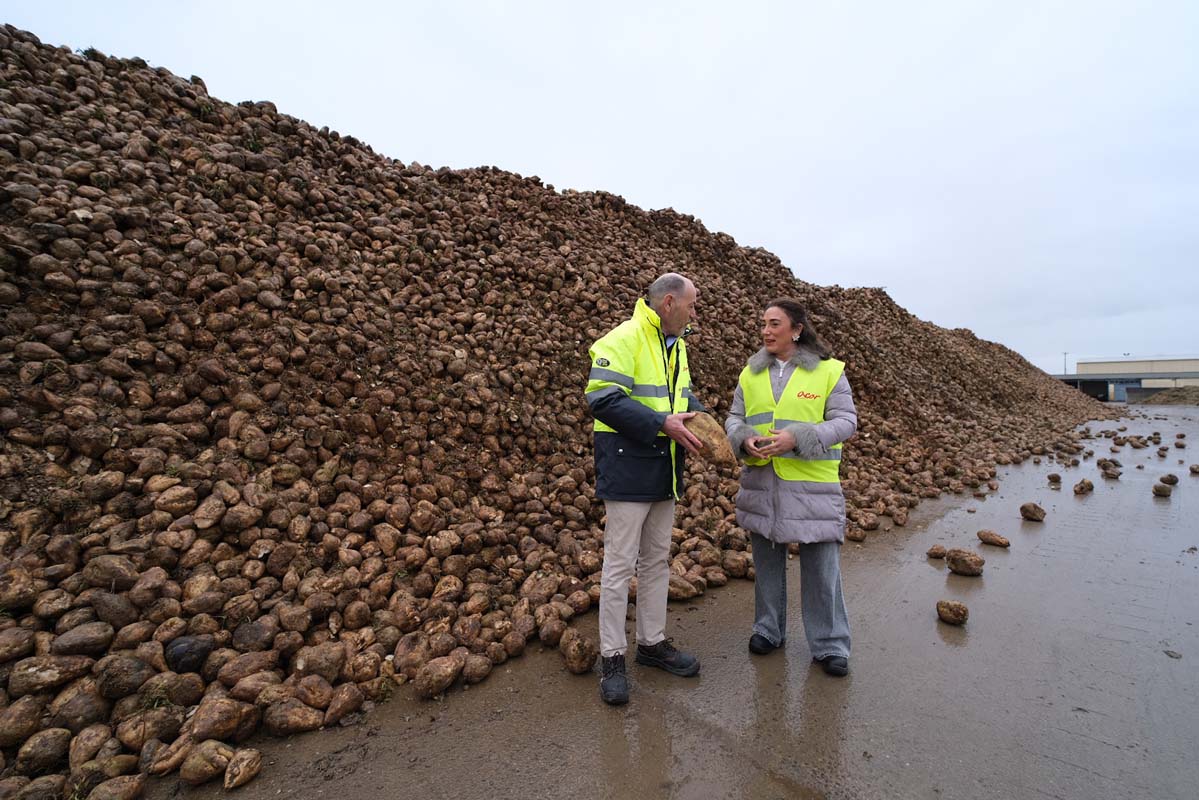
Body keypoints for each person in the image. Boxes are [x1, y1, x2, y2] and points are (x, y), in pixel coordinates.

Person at [585, 272, 705, 705]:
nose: (695, 313)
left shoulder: (679, 346)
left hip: (664, 469)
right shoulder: (623, 338)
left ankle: (651, 644)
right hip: (627, 467)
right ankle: (612, 659)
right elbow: (602, 398)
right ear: (669, 302)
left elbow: (682, 399)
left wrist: (702, 419)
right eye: (691, 305)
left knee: (657, 560)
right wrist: (662, 424)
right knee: (619, 567)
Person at [724, 298, 858, 676]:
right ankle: (768, 630)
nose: (765, 331)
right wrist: (743, 438)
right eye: (764, 324)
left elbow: (846, 421)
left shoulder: (830, 372)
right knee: (767, 563)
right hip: (762, 484)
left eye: (774, 324)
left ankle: (830, 645)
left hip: (811, 486)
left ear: (796, 329)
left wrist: (798, 438)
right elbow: (735, 417)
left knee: (821, 569)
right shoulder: (749, 374)